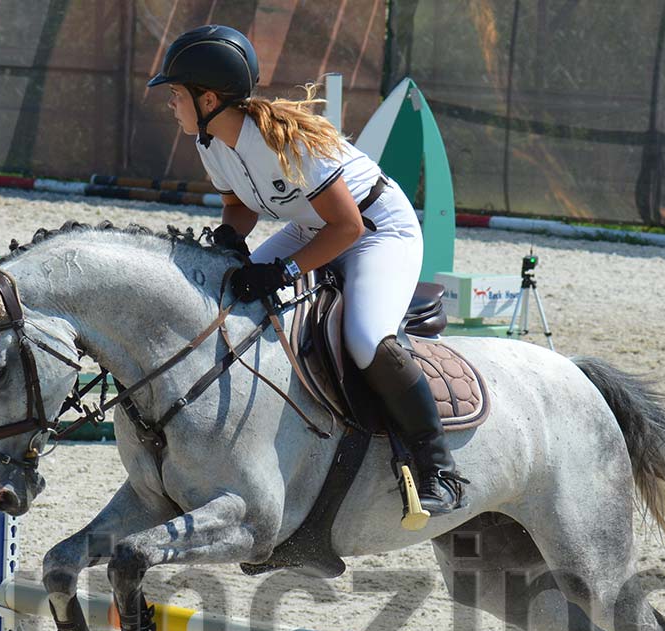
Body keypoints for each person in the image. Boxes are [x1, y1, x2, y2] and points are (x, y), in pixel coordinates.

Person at [148, 24, 465, 519]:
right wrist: (230, 239)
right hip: (311, 226)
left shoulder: (282, 143)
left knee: (366, 338)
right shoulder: (211, 143)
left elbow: (348, 227)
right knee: (226, 295)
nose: (170, 102)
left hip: (377, 229)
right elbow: (239, 206)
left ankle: (438, 467)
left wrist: (283, 271)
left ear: (208, 99)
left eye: (176, 93)